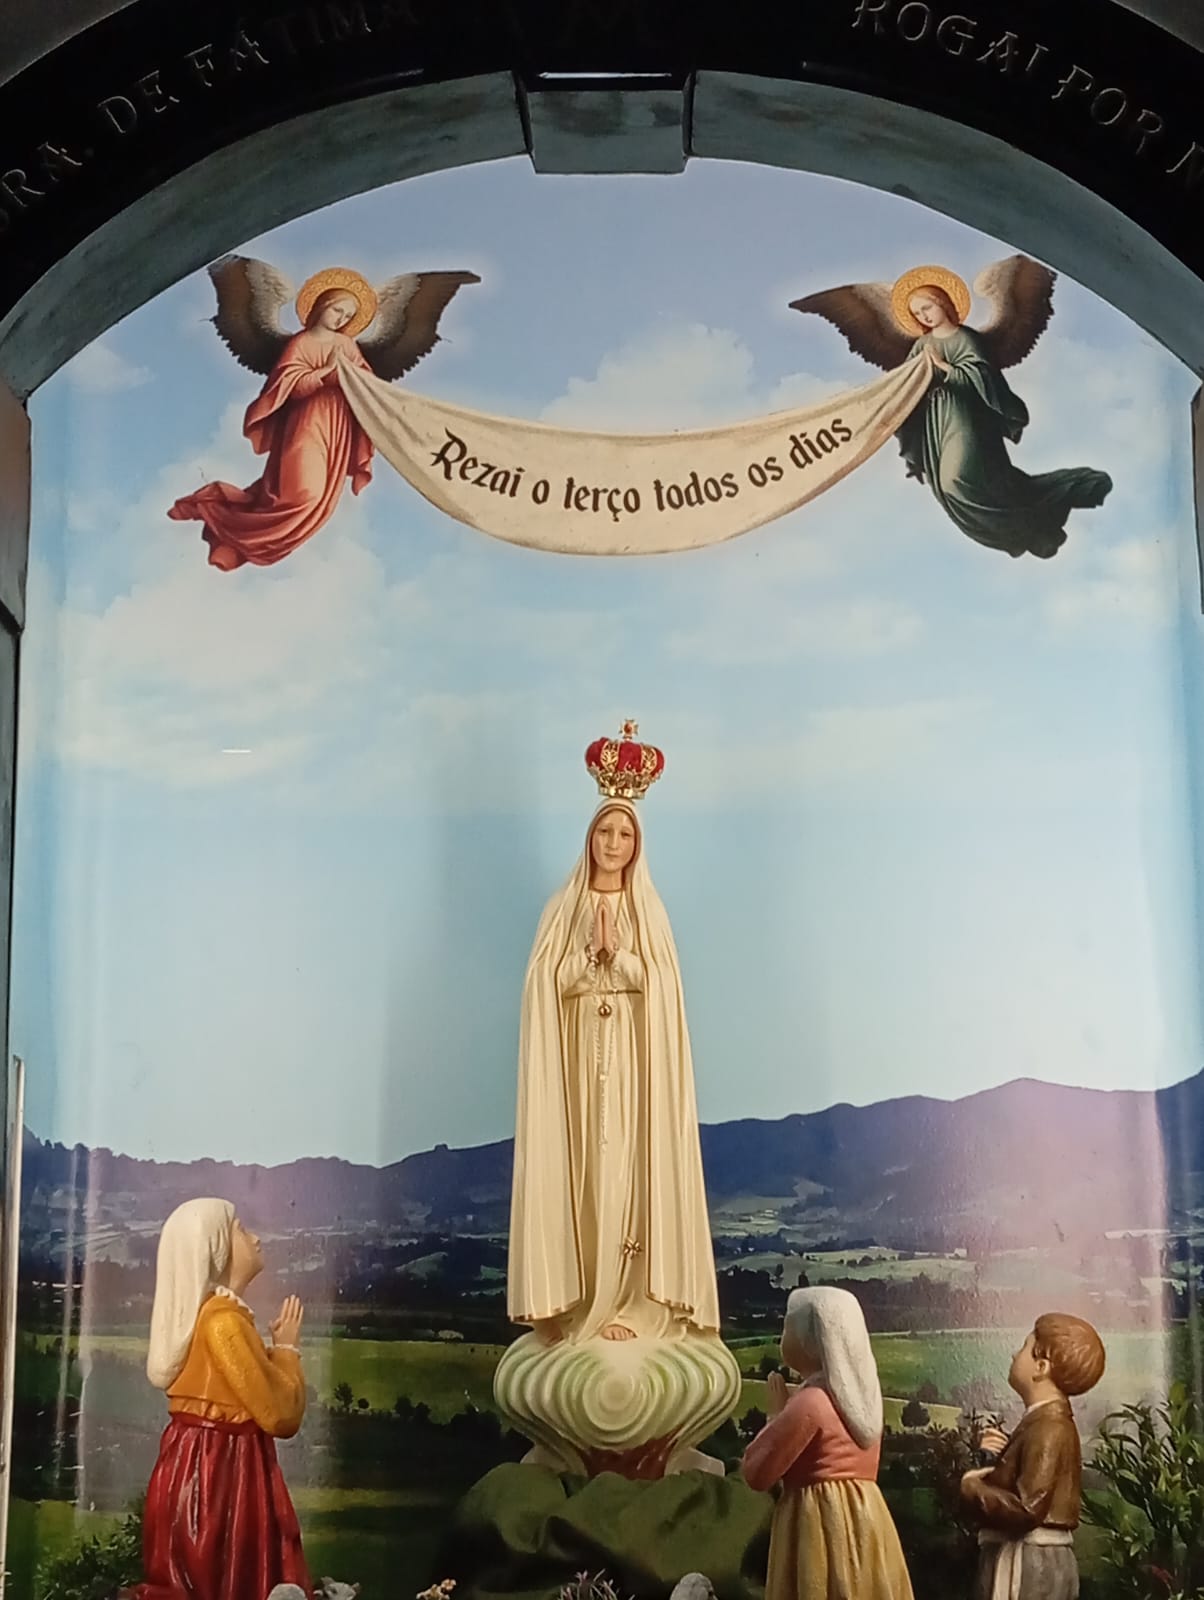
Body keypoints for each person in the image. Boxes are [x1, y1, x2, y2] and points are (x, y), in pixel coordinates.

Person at [505, 726, 719, 1346]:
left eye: (625, 835)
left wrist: (619, 958)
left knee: (625, 1169)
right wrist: (585, 959)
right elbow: (542, 987)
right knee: (582, 1173)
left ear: (637, 843)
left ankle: (627, 1300)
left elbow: (664, 992)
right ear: (590, 836)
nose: (614, 844)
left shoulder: (649, 911)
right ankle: (574, 1303)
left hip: (632, 1067)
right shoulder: (562, 909)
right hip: (575, 1066)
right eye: (605, 832)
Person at [130, 1197, 312, 1600]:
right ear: (215, 1248)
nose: (256, 1238)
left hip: (204, 1462)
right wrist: (287, 1350)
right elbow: (281, 1414)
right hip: (220, 1472)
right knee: (222, 1577)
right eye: (241, 1229)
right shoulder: (224, 1323)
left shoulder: (222, 1318)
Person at [895, 278, 1111, 560]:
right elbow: (906, 381)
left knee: (955, 482)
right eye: (917, 313)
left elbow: (983, 378)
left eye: (927, 308)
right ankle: (1023, 530)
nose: (924, 316)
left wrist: (945, 368)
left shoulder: (967, 339)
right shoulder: (922, 345)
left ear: (943, 303)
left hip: (966, 418)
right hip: (935, 423)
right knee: (950, 491)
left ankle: (1029, 524)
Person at [168, 283, 375, 570]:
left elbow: (365, 381)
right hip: (306, 423)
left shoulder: (347, 346)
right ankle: (214, 509)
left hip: (337, 427)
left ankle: (234, 541)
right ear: (321, 307)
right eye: (337, 310)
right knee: (303, 497)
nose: (341, 319)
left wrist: (358, 379)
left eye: (348, 316)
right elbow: (289, 386)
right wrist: (326, 371)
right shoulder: (301, 343)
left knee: (317, 507)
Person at [740, 1286, 914, 1600]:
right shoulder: (863, 1405)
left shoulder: (811, 1403)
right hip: (868, 1520)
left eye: (787, 1327)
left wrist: (775, 1415)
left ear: (811, 1341)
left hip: (818, 1521)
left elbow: (757, 1471)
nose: (783, 1336)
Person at [960, 1312, 1106, 1600]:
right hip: (1029, 1557)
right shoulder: (1042, 1423)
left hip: (1028, 1563)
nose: (1015, 1354)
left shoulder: (1049, 1428)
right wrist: (995, 1462)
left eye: (1024, 1347)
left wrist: (972, 1486)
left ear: (1041, 1367)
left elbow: (1027, 1509)